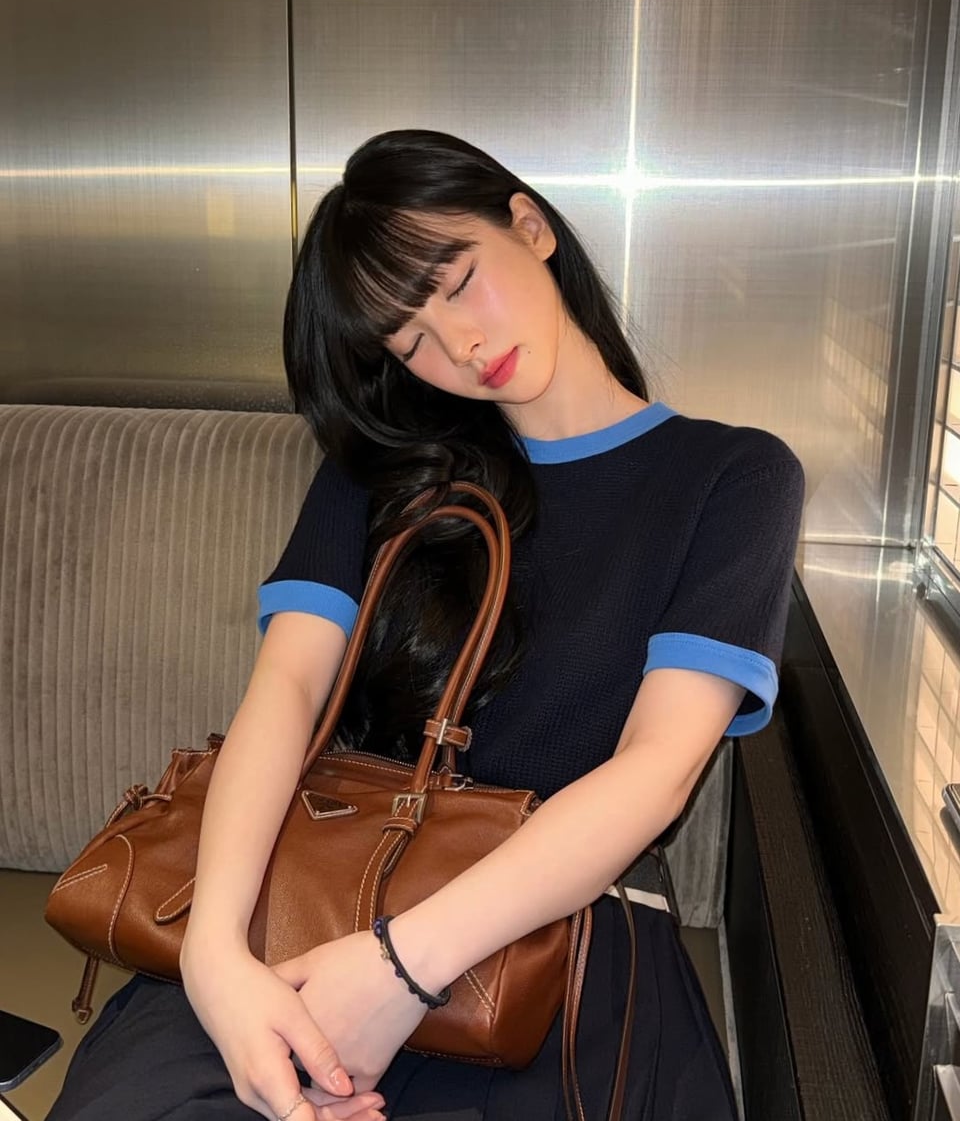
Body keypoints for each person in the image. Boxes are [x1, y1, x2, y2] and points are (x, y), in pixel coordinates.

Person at [49, 128, 805, 1121]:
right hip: (313, 902)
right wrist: (215, 956)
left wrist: (400, 968)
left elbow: (656, 769)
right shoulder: (385, 469)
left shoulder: (732, 477)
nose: (460, 350)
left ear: (528, 226)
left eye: (458, 285)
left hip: (557, 933)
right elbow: (285, 690)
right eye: (409, 342)